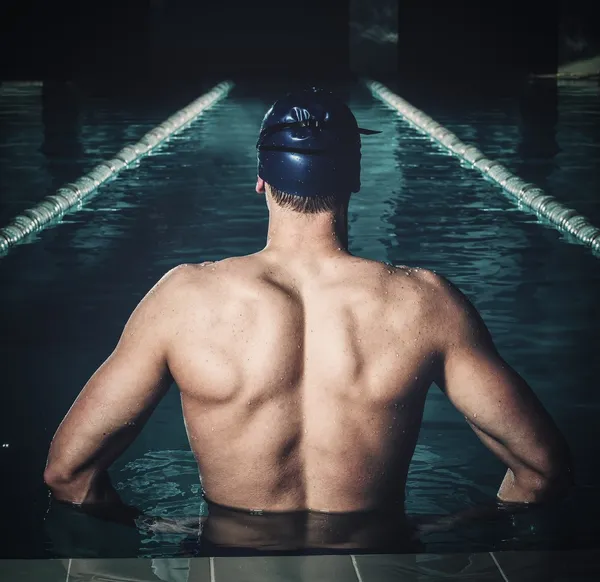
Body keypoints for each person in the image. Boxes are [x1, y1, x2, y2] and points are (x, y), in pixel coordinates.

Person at [44, 87, 573, 554]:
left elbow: (68, 472)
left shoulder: (183, 300)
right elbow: (542, 469)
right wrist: (450, 528)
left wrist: (151, 527)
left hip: (229, 556)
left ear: (261, 181)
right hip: (380, 554)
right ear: (355, 179)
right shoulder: (425, 303)